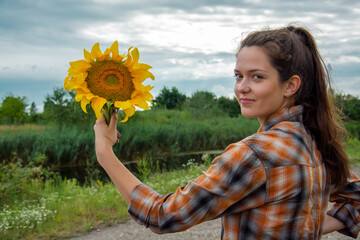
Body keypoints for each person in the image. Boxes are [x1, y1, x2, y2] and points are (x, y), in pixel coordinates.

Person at [94, 25, 360, 239]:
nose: (241, 87)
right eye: (238, 76)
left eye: (257, 76)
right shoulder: (315, 140)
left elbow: (163, 215)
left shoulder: (256, 154)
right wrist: (306, 228)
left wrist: (105, 153)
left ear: (290, 85)